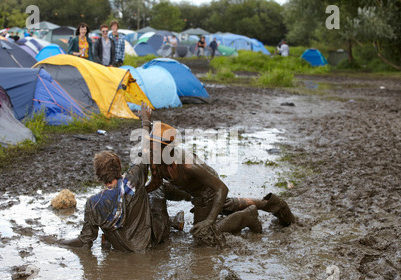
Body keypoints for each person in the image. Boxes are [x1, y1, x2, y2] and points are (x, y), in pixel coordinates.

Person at [58, 103, 190, 252]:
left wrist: (58, 242)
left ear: (98, 177)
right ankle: (173, 220)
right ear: (119, 168)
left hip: (124, 248)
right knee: (155, 190)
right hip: (149, 242)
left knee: (140, 197)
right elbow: (145, 150)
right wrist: (145, 122)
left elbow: (84, 241)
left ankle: (109, 238)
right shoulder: (132, 179)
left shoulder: (92, 203)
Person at [145, 122, 296, 246]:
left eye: (155, 149)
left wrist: (209, 220)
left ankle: (248, 216)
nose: (151, 152)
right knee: (223, 205)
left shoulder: (188, 166)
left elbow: (222, 189)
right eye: (151, 148)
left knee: (203, 236)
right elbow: (153, 182)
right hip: (187, 188)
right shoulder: (156, 160)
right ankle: (269, 203)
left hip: (207, 190)